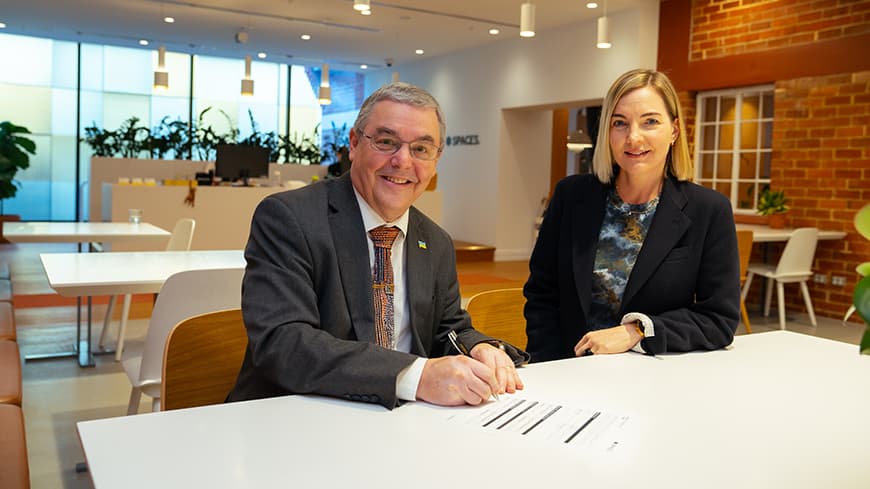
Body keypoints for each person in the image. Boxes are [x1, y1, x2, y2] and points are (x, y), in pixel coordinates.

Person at [228, 82, 527, 409]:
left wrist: (479, 347)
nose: (402, 161)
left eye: (421, 149)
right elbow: (284, 344)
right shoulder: (289, 219)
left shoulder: (436, 240)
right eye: (386, 142)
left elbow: (448, 328)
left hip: (397, 422)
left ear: (436, 160)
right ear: (354, 144)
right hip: (293, 417)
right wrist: (416, 376)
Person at [524, 69, 739, 362]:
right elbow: (542, 295)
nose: (633, 138)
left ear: (674, 130)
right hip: (569, 370)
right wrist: (549, 368)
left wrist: (639, 330)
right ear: (607, 132)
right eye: (620, 123)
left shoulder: (709, 210)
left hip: (653, 378)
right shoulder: (570, 196)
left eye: (650, 121)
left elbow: (719, 320)